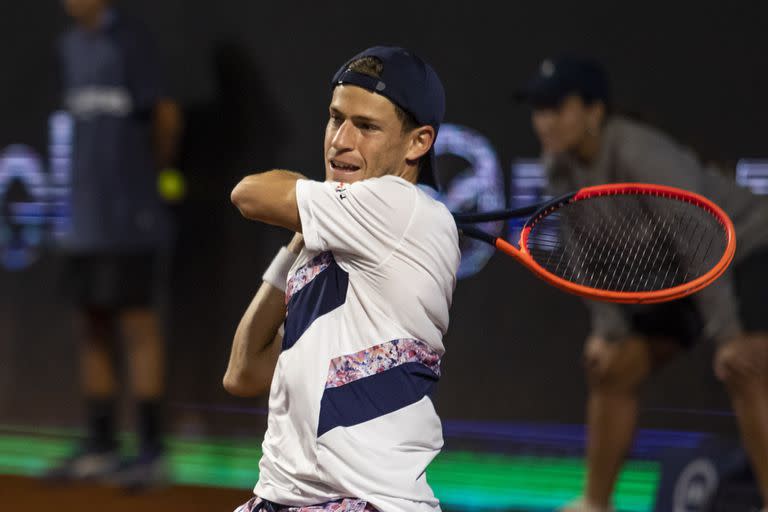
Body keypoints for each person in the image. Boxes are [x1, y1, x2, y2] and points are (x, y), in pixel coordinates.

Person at [516, 55, 768, 512]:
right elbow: (586, 260)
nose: (544, 121)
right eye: (538, 109)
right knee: (612, 367)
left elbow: (704, 234)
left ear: (593, 112)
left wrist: (729, 336)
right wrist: (607, 332)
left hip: (747, 247)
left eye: (556, 107)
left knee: (746, 368)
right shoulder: (558, 166)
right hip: (686, 274)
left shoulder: (638, 151)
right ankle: (596, 502)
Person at [225, 46, 460, 511]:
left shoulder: (402, 207)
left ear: (418, 142)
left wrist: (310, 209)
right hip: (279, 498)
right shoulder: (336, 233)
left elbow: (248, 193)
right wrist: (302, 236)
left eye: (367, 127)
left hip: (364, 503)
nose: (340, 140)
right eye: (336, 119)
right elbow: (244, 371)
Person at [46, 0, 182, 490]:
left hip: (131, 214)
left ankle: (151, 451)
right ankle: (101, 445)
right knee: (93, 323)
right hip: (83, 217)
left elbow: (165, 117)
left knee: (137, 323)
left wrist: (147, 181)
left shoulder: (131, 39)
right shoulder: (68, 46)